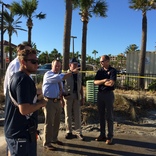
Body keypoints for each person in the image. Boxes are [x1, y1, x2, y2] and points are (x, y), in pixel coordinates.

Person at [4, 48, 46, 156]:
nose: (37, 64)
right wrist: (41, 103)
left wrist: (37, 93)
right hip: (21, 135)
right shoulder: (23, 80)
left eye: (37, 61)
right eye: (33, 62)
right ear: (23, 62)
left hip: (14, 133)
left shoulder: (16, 77)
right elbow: (24, 110)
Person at [42, 59, 79, 150]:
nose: (58, 67)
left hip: (57, 102)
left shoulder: (58, 76)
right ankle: (47, 142)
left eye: (59, 66)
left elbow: (60, 89)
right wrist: (71, 72)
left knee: (57, 122)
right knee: (49, 123)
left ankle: (54, 139)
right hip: (49, 102)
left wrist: (64, 94)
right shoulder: (49, 74)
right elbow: (60, 78)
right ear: (52, 66)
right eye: (56, 66)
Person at [94, 55, 117, 145]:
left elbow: (111, 83)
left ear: (107, 61)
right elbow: (95, 82)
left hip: (108, 95)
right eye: (100, 61)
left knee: (109, 116)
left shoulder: (112, 71)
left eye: (102, 61)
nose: (101, 63)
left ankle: (110, 136)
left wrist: (103, 82)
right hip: (100, 94)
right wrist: (103, 81)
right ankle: (102, 134)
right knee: (101, 115)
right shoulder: (100, 71)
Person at [63, 58, 84, 141]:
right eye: (74, 64)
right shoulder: (65, 74)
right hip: (68, 97)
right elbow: (61, 85)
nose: (75, 66)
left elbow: (81, 87)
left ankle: (79, 132)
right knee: (68, 115)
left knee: (77, 115)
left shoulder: (79, 74)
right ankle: (69, 132)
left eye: (76, 64)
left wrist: (82, 97)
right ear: (70, 65)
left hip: (77, 96)